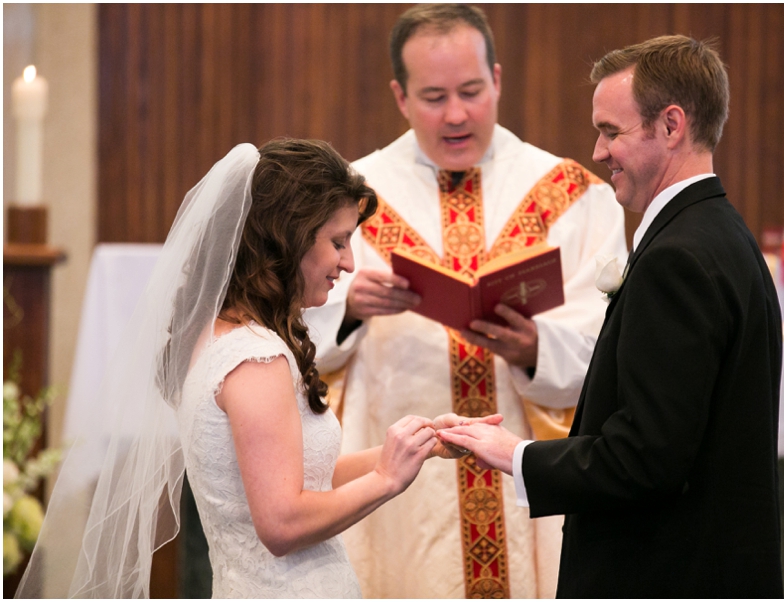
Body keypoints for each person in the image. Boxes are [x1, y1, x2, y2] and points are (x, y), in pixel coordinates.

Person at [16, 138, 484, 598]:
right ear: (289, 238)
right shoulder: (255, 358)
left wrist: (417, 448)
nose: (349, 262)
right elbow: (281, 524)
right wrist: (386, 480)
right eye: (338, 241)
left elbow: (299, 480)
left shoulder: (223, 336)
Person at [440, 35, 784, 597]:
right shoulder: (722, 233)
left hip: (665, 574)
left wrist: (514, 454)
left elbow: (645, 460)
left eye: (611, 131)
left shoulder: (676, 259)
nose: (598, 152)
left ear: (671, 126)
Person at [306, 4, 627, 598]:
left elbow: (609, 339)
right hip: (395, 479)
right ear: (400, 97)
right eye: (433, 97)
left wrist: (536, 348)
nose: (456, 114)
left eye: (472, 91)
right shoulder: (350, 193)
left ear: (498, 80)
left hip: (520, 475)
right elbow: (289, 329)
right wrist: (348, 307)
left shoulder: (574, 195)